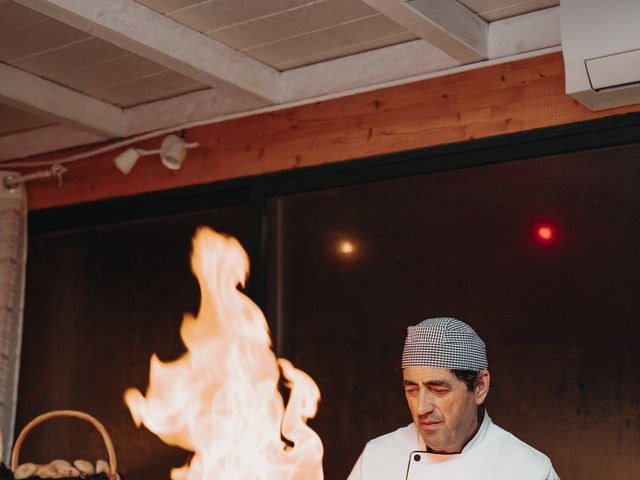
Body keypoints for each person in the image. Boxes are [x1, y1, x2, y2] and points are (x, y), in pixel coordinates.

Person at [347, 317, 559, 480]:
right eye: (412, 389)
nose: (421, 408)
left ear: (480, 387)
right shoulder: (378, 457)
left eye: (438, 390)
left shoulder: (529, 470)